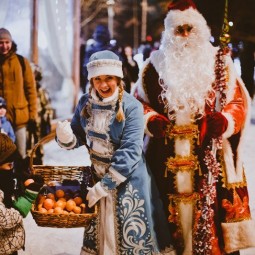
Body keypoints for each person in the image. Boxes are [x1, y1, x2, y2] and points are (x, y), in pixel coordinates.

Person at [132, 0, 255, 254]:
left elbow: (237, 101)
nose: (185, 35)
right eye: (179, 30)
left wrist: (224, 122)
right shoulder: (152, 67)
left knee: (209, 223)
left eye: (190, 28)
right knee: (164, 223)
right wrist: (150, 120)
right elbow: (137, 103)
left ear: (199, 29)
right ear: (170, 32)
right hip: (164, 160)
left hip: (209, 158)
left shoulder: (220, 63)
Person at [56, 50, 176, 255]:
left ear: (118, 78)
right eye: (98, 79)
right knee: (101, 235)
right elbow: (78, 136)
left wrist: (104, 186)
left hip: (129, 181)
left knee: (130, 237)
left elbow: (131, 152)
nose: (103, 85)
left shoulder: (132, 107)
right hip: (96, 177)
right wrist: (67, 138)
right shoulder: (85, 103)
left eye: (108, 78)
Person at [0, 133, 44, 255]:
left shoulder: (4, 181)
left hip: (8, 246)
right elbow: (3, 219)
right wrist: (26, 200)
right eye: (9, 165)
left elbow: (7, 199)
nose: (11, 169)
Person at [0, 28, 38, 159]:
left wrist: (33, 116)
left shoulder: (22, 62)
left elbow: (31, 91)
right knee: (3, 157)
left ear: (11, 43)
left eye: (7, 42)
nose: (4, 46)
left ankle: (22, 180)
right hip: (1, 120)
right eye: (1, 42)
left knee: (21, 156)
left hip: (20, 118)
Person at [81, 25, 119, 93]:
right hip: (95, 83)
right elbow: (85, 68)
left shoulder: (112, 49)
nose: (100, 35)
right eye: (99, 33)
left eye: (102, 33)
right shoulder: (91, 50)